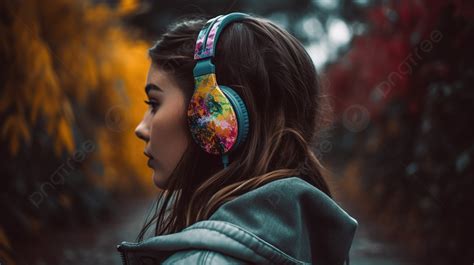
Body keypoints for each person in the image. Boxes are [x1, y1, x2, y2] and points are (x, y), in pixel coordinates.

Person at [117, 12, 358, 265]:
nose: (141, 128)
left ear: (210, 116)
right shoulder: (314, 240)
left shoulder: (203, 261)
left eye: (154, 103)